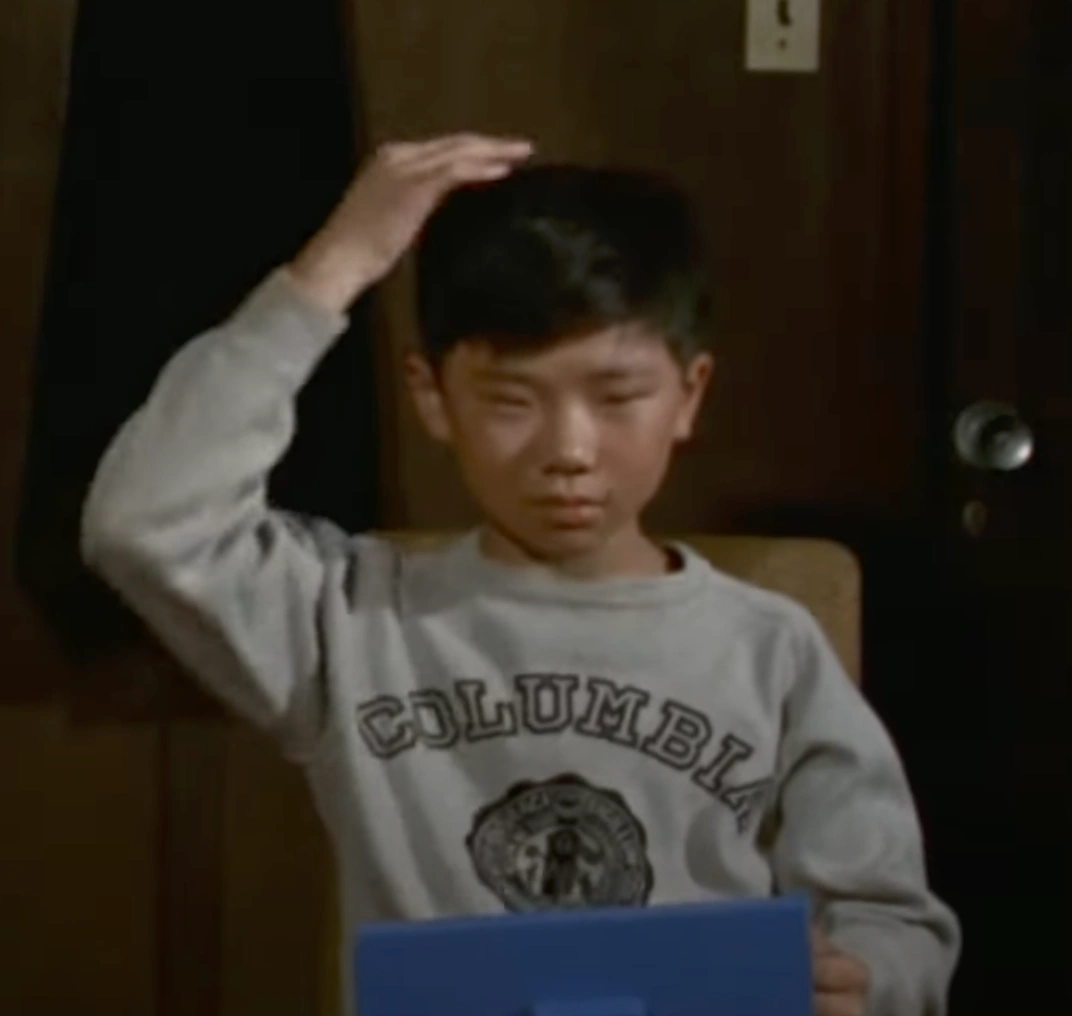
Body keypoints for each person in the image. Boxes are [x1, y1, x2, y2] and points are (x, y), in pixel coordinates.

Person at [81, 133, 959, 1016]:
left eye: (616, 398)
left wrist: (868, 977)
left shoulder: (770, 649)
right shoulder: (349, 619)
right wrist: (334, 269)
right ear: (433, 397)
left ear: (689, 394)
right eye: (510, 401)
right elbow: (144, 521)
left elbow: (892, 920)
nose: (568, 450)